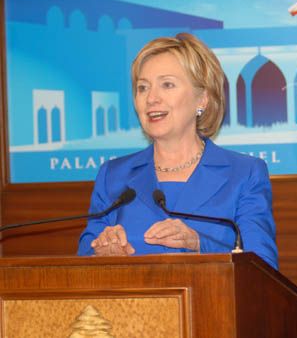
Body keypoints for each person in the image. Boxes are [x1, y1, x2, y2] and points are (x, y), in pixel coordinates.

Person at [78, 33, 278, 270]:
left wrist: (199, 244)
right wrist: (100, 253)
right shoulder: (113, 175)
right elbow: (84, 257)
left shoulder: (244, 174)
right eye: (142, 88)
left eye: (167, 84)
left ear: (202, 99)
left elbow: (263, 268)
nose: (151, 98)